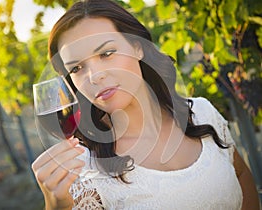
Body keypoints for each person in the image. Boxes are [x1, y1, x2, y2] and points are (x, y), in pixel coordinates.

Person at [31, 0, 260, 209]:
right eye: (77, 68)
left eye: (107, 53)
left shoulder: (201, 112)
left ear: (137, 47)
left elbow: (241, 176)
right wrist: (56, 207)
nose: (94, 76)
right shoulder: (85, 173)